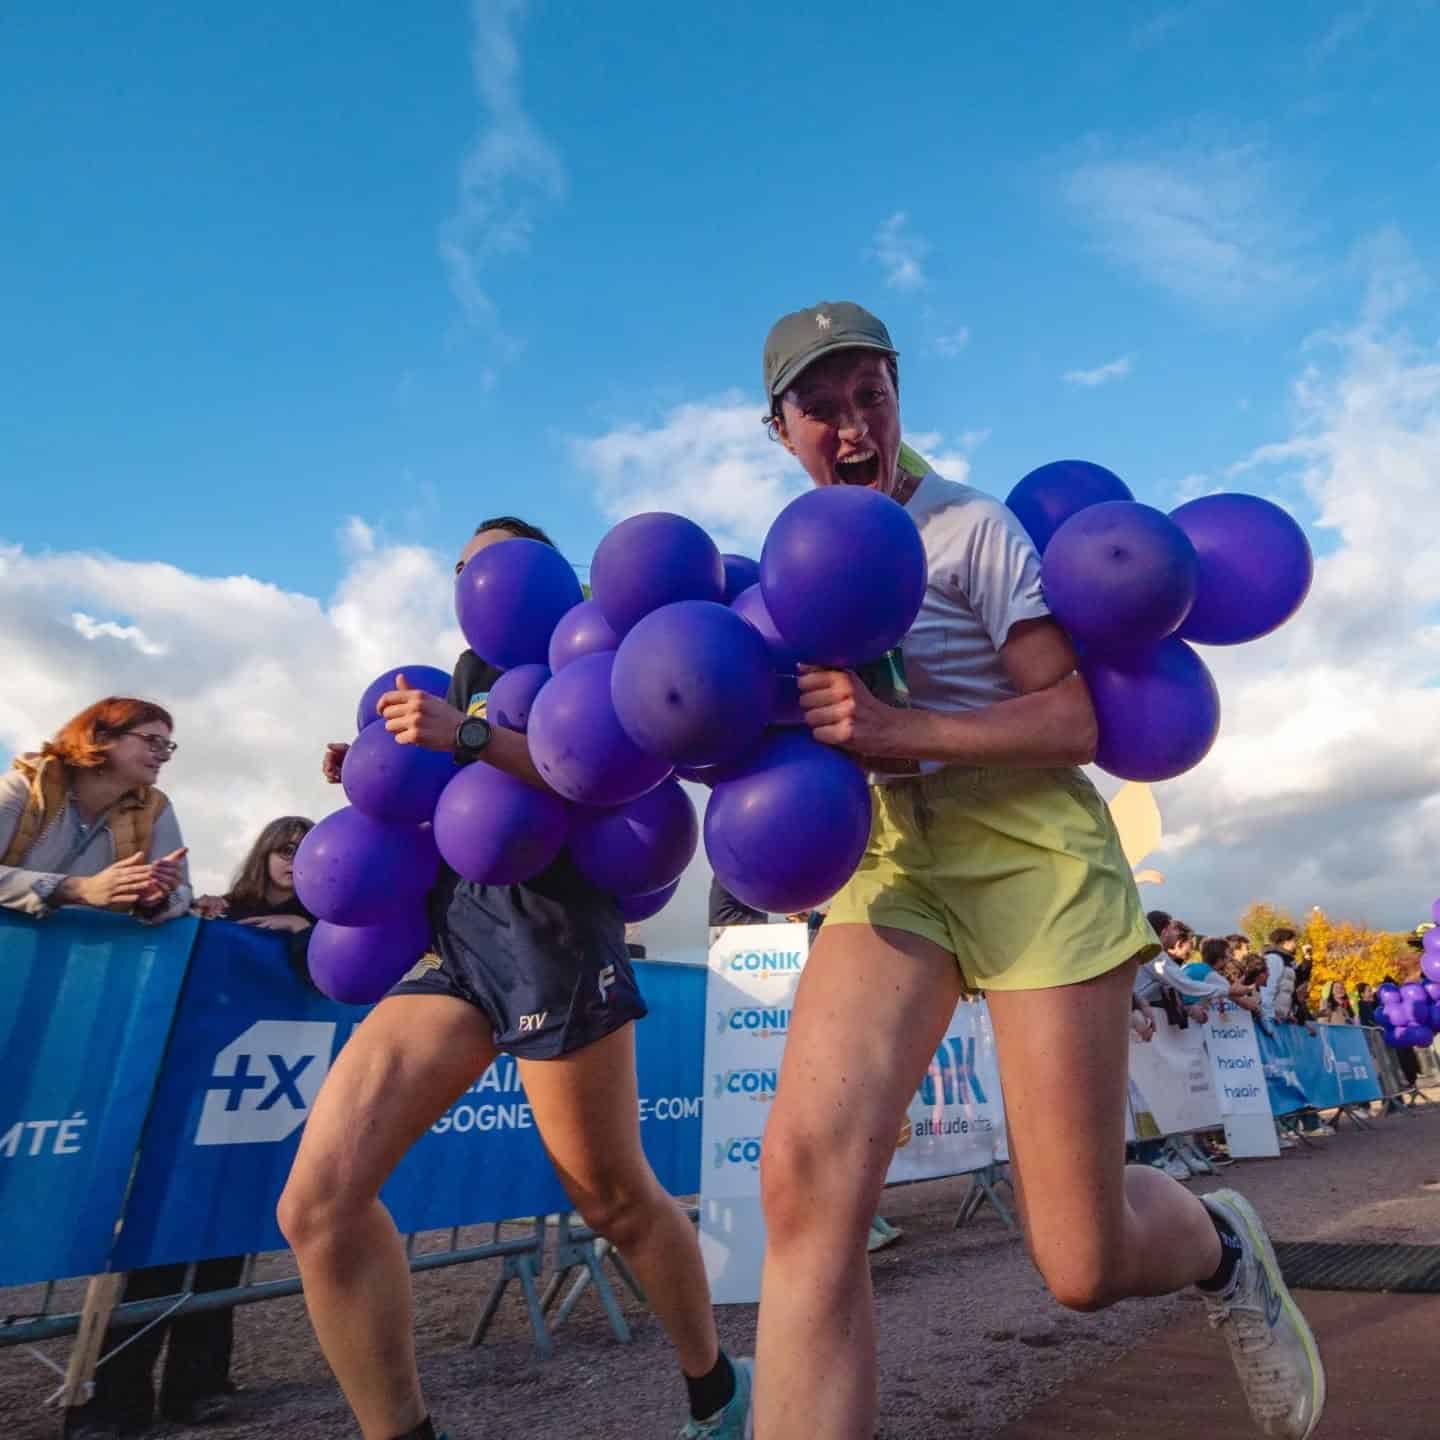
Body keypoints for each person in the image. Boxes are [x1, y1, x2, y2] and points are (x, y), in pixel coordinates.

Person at [750, 301, 1324, 1440]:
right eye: (824, 406)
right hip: (900, 864)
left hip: (1036, 860)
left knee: (1081, 1258)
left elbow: (1068, 719)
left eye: (872, 393)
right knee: (806, 1189)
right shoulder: (799, 558)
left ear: (898, 396)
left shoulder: (968, 527)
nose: (853, 423)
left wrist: (893, 733)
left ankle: (1222, 1248)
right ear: (782, 429)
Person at [281, 517, 750, 1440]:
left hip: (557, 935)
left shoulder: (595, 655)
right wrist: (375, 774)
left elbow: (599, 778)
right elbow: (452, 813)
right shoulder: (457, 677)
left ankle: (714, 1391)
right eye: (463, 568)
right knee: (318, 1205)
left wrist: (464, 740)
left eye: (492, 562)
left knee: (613, 1199)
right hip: (455, 941)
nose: (475, 581)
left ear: (540, 571)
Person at [0, 698, 189, 922]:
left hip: (71, 954)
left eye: (167, 746)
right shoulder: (23, 787)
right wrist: (78, 889)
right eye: (153, 741)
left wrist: (155, 900)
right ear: (102, 738)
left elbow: (183, 894)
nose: (165, 756)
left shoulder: (157, 809)